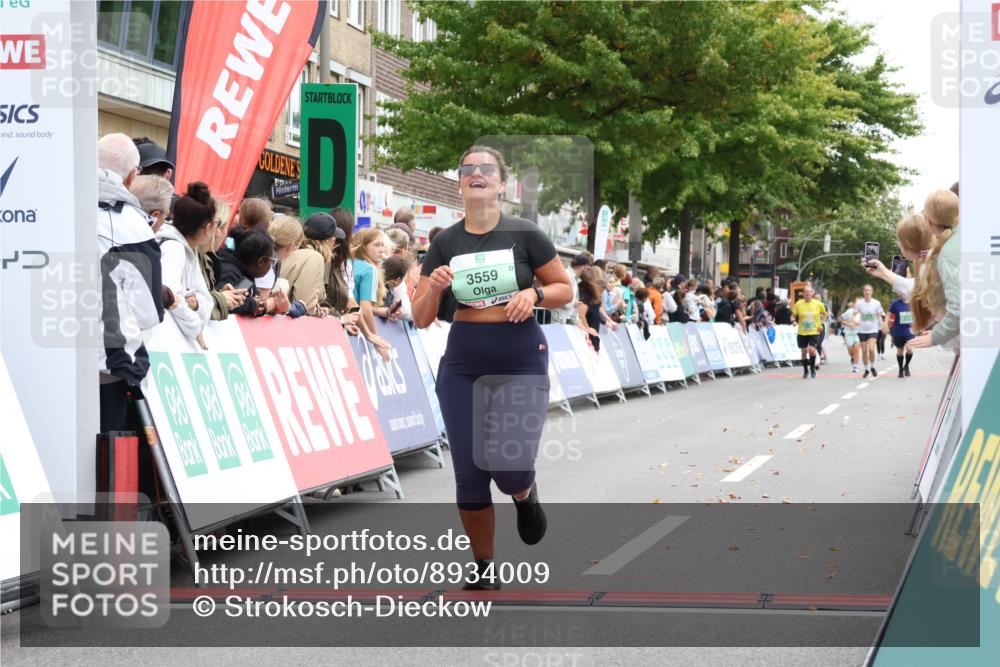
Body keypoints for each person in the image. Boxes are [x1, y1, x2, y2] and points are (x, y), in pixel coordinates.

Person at [412, 145, 572, 589]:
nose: (476, 173)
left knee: (509, 464)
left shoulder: (525, 234)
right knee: (469, 472)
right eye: (468, 168)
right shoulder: (445, 242)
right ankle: (484, 567)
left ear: (502, 184)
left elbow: (565, 288)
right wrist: (434, 288)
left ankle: (523, 491)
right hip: (463, 362)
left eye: (486, 168)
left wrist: (534, 294)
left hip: (520, 357)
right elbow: (421, 317)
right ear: (460, 184)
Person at [97, 133, 164, 433]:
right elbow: (148, 312)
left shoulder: (49, 206)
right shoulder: (133, 225)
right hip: (108, 367)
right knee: (105, 458)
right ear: (131, 176)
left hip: (38, 360)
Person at [156, 182, 218, 347]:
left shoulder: (189, 249)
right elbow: (169, 297)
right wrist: (195, 327)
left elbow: (207, 302)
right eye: (217, 223)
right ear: (207, 228)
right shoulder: (175, 249)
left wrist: (196, 303)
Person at [280, 213, 360, 330]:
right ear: (330, 241)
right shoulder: (314, 257)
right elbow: (306, 306)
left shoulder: (298, 252)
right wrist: (340, 320)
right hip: (292, 328)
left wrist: (318, 309)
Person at [910, 189, 960, 350]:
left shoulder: (949, 252)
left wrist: (936, 336)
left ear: (931, 220)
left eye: (925, 213)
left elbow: (959, 308)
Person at [213, 229, 280, 317]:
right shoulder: (229, 273)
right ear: (261, 261)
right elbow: (225, 303)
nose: (271, 265)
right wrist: (254, 305)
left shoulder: (244, 275)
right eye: (271, 261)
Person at [197, 199, 246, 320]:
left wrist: (220, 293)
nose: (226, 234)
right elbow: (186, 303)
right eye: (226, 227)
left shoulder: (204, 258)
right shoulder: (189, 254)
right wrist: (221, 297)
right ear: (217, 228)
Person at [351, 227, 394, 356]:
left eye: (382, 245)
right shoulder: (369, 269)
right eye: (376, 245)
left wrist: (379, 311)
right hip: (353, 327)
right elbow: (364, 309)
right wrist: (375, 339)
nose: (381, 250)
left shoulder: (347, 262)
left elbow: (354, 302)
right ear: (363, 246)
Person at [576, 266, 618, 350]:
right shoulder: (586, 295)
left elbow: (597, 311)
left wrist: (606, 321)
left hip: (593, 334)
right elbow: (581, 315)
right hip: (588, 337)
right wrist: (588, 329)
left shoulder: (593, 296)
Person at [790, 283, 827, 379]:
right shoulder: (798, 304)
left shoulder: (818, 304)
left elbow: (825, 314)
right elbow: (793, 316)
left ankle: (812, 368)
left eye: (809, 292)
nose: (807, 293)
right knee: (803, 351)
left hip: (814, 331)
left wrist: (821, 324)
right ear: (803, 293)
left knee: (812, 350)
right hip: (802, 332)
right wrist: (793, 321)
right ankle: (805, 370)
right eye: (806, 292)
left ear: (812, 293)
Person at [854, 284, 885, 378]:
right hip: (862, 330)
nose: (867, 292)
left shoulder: (876, 303)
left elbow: (879, 316)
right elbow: (854, 315)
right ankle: (867, 368)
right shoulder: (859, 304)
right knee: (864, 351)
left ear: (872, 292)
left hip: (873, 330)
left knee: (871, 349)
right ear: (863, 292)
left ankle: (872, 366)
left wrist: (883, 326)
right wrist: (855, 320)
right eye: (866, 290)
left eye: (869, 290)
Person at [888, 294, 916, 378]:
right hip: (898, 331)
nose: (899, 294)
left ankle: (906, 366)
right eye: (898, 293)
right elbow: (890, 316)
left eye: (901, 292)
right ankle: (900, 369)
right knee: (900, 352)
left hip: (909, 331)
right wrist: (889, 329)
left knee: (909, 349)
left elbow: (918, 315)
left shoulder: (913, 302)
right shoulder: (895, 303)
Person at [381, 254, 413, 322]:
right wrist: (388, 312)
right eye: (403, 278)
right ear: (397, 280)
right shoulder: (384, 292)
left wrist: (391, 313)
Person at [838, 299, 862, 372]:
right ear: (854, 304)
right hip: (848, 334)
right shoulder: (849, 311)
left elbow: (866, 322)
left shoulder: (863, 312)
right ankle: (852, 357)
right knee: (850, 351)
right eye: (857, 303)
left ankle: (855, 366)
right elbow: (840, 319)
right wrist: (849, 324)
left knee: (856, 349)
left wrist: (857, 324)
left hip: (858, 334)